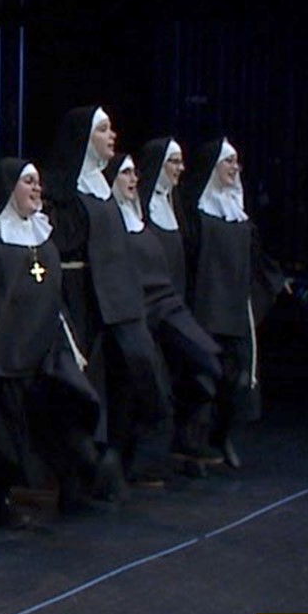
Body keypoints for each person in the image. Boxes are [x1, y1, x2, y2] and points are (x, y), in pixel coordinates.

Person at [0, 158, 104, 524]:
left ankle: (72, 490)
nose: (37, 189)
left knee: (69, 418)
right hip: (5, 351)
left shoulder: (45, 231)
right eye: (28, 182)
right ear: (9, 188)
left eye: (38, 182)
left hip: (48, 348)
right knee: (4, 438)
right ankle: (1, 502)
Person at [44, 105, 163, 495]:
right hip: (80, 298)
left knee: (128, 380)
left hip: (117, 304)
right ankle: (76, 480)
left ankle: (113, 461)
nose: (112, 137)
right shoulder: (63, 190)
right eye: (103, 130)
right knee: (81, 390)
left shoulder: (102, 185)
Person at [179, 137, 289, 468]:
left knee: (236, 380)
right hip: (205, 310)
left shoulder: (241, 219)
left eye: (235, 163)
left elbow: (255, 261)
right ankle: (193, 446)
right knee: (201, 382)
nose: (234, 168)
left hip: (235, 312)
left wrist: (277, 280)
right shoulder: (196, 216)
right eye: (228, 162)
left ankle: (221, 436)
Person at [128, 138, 222, 473]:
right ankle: (146, 460)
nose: (181, 169)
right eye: (174, 162)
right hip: (149, 311)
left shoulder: (176, 207)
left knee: (199, 372)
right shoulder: (140, 211)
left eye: (181, 162)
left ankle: (186, 444)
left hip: (175, 307)